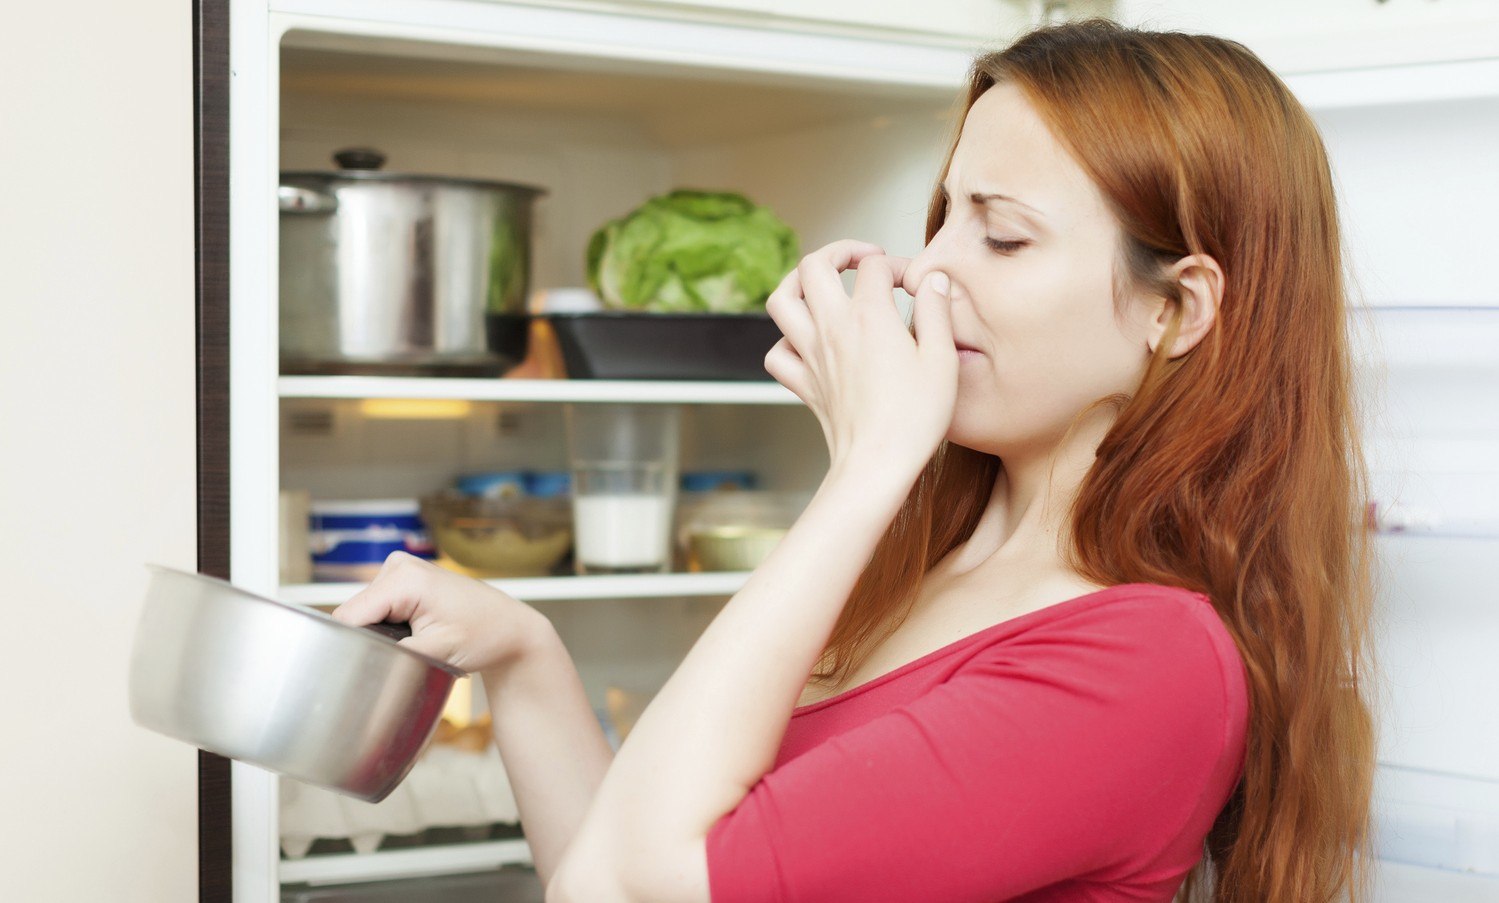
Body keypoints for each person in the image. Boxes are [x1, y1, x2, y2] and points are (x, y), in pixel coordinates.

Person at [333, 17, 1379, 903]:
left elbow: (634, 887)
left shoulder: (1143, 665)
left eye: (1001, 238)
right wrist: (524, 657)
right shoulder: (927, 564)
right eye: (941, 219)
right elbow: (611, 870)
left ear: (1175, 310)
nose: (928, 269)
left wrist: (869, 467)